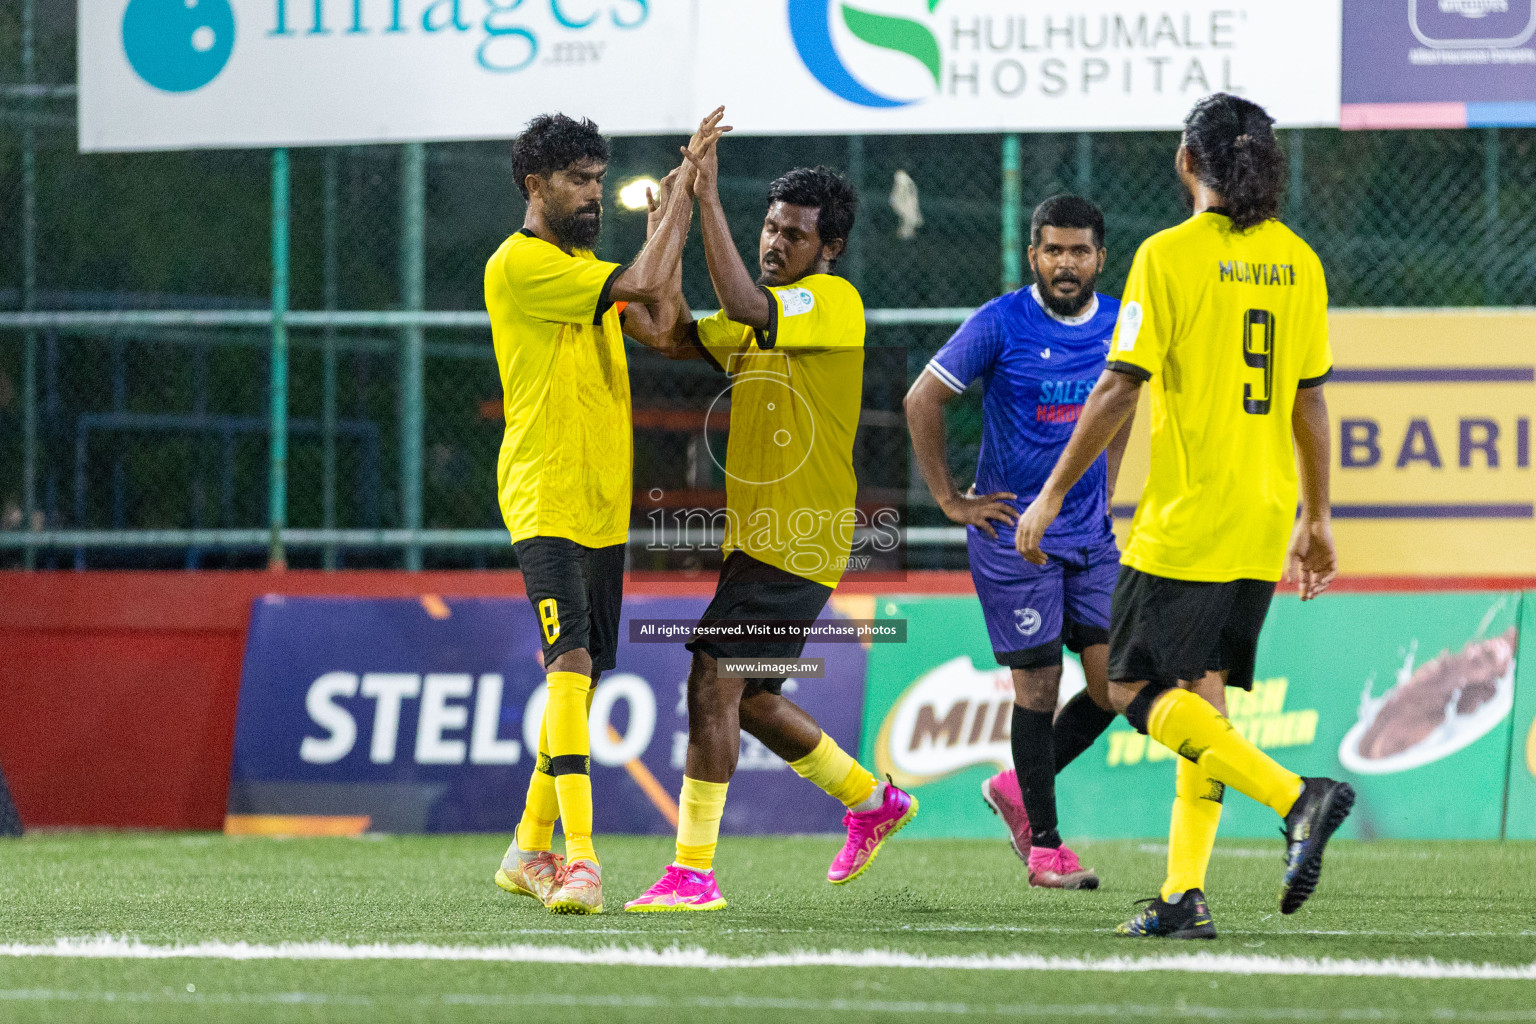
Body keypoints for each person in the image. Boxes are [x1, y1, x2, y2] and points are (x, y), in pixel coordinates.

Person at [1013, 93, 1352, 939]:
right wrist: (1318, 516)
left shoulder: (1167, 257)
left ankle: (1294, 797)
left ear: (1185, 161)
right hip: (1264, 511)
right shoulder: (1300, 261)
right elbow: (1311, 402)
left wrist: (1053, 493)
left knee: (1127, 683)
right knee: (1202, 695)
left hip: (1191, 514)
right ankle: (1181, 894)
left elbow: (1119, 385)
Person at [624, 115, 917, 912]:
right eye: (770, 226)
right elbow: (664, 330)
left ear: (831, 248)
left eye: (794, 233)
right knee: (749, 699)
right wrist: (670, 227)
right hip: (761, 541)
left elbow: (746, 302)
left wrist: (709, 199)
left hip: (798, 537)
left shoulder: (832, 303)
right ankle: (870, 799)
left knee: (711, 677)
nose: (776, 241)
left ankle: (692, 873)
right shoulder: (764, 317)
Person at [486, 110, 724, 916]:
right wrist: (679, 210)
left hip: (601, 504)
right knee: (571, 667)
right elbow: (643, 286)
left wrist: (676, 217)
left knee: (580, 681)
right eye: (577, 180)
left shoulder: (585, 263)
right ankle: (579, 861)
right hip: (545, 493)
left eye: (598, 177)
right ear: (535, 185)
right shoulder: (520, 265)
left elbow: (661, 323)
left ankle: (527, 848)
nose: (593, 193)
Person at [905, 195, 1128, 890]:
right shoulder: (1000, 322)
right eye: (1054, 250)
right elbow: (922, 398)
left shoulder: (1125, 323)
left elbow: (1123, 405)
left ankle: (1013, 786)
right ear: (1033, 254)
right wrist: (950, 500)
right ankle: (1047, 850)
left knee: (1118, 687)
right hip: (1012, 536)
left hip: (1090, 535)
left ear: (1099, 257)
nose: (1067, 263)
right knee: (1038, 685)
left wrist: (1109, 490)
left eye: (1080, 251)